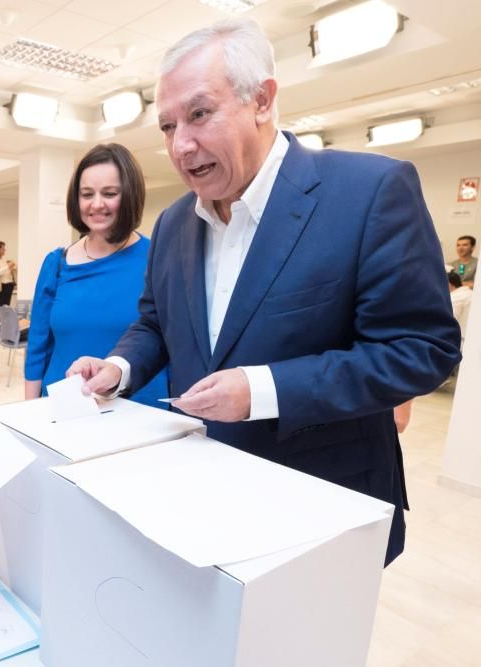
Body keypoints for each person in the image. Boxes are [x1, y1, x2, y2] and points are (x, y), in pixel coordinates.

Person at [69, 18, 461, 566]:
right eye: (167, 126)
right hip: (203, 493)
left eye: (200, 114)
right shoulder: (176, 222)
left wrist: (265, 389)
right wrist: (120, 367)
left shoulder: (369, 192)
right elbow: (157, 322)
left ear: (262, 99)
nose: (181, 145)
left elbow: (421, 351)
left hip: (324, 503)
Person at [25, 144, 168, 405]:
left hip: (138, 410)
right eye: (87, 194)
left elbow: (168, 342)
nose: (97, 204)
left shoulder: (157, 258)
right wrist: (28, 410)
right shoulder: (57, 263)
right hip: (66, 408)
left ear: (129, 196)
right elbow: (38, 348)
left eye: (110, 193)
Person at [449, 270, 472, 343]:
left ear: (449, 284)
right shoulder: (469, 293)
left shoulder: (456, 298)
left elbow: (450, 319)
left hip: (463, 340)